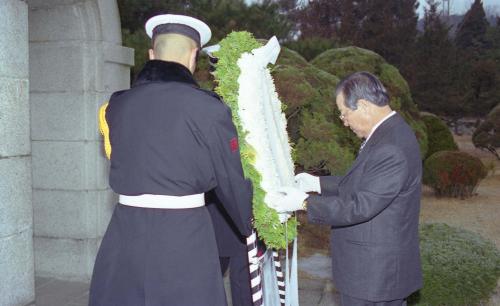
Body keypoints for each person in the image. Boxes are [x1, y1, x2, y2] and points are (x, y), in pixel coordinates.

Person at [89, 14, 253, 306]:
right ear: (193, 55)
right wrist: (248, 223)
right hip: (184, 234)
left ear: (151, 54)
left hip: (125, 233)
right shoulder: (209, 109)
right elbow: (230, 180)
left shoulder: (114, 106)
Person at [270, 72, 423, 306]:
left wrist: (304, 203)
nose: (343, 120)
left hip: (373, 276)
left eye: (344, 113)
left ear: (363, 105)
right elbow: (364, 183)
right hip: (375, 271)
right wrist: (317, 184)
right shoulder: (390, 133)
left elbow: (360, 206)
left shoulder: (390, 147)